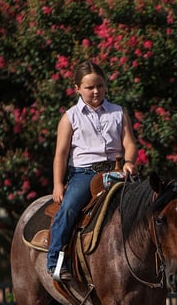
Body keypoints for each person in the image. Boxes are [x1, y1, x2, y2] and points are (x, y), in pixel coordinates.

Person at [46, 60, 138, 281]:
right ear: (77, 88)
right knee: (68, 208)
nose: (96, 91)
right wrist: (58, 184)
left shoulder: (118, 112)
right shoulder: (70, 117)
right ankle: (55, 260)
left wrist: (129, 161)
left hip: (116, 171)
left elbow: (130, 142)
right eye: (89, 87)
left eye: (100, 85)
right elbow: (61, 153)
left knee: (146, 204)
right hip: (84, 174)